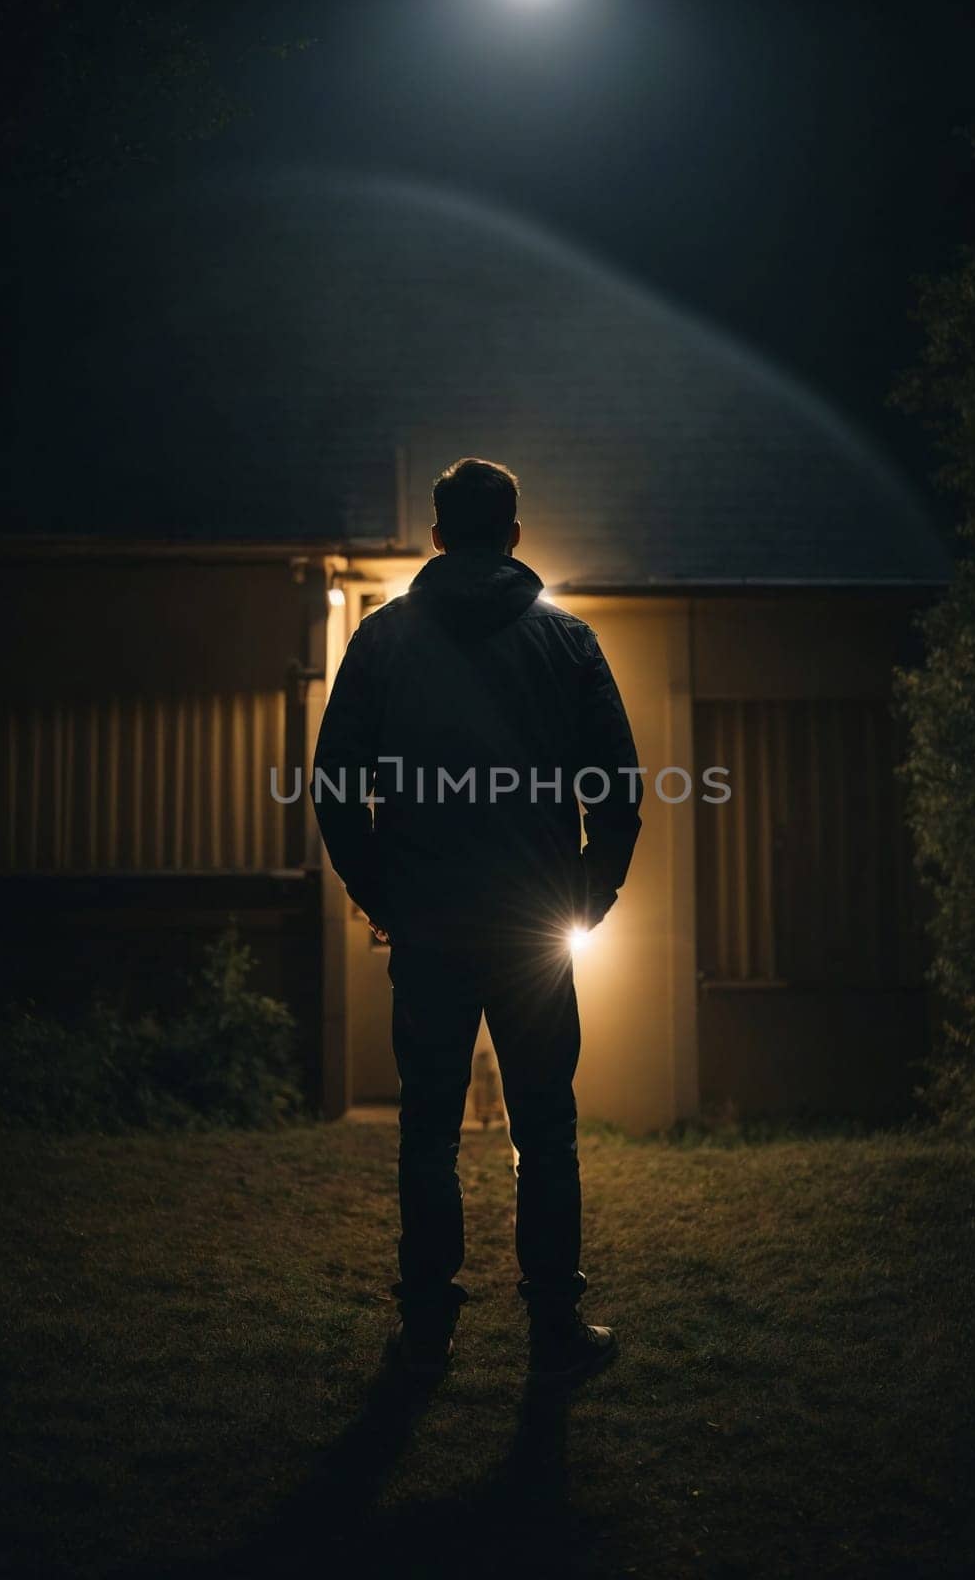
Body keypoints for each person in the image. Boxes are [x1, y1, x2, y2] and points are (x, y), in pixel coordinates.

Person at [311, 458, 641, 1382]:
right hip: (532, 935)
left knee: (427, 1129)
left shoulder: (381, 642)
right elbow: (617, 796)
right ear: (515, 537)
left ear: (437, 537)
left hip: (428, 930)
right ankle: (554, 1328)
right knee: (546, 1126)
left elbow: (336, 789)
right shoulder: (567, 643)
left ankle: (426, 1330)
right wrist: (584, 899)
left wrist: (386, 898)